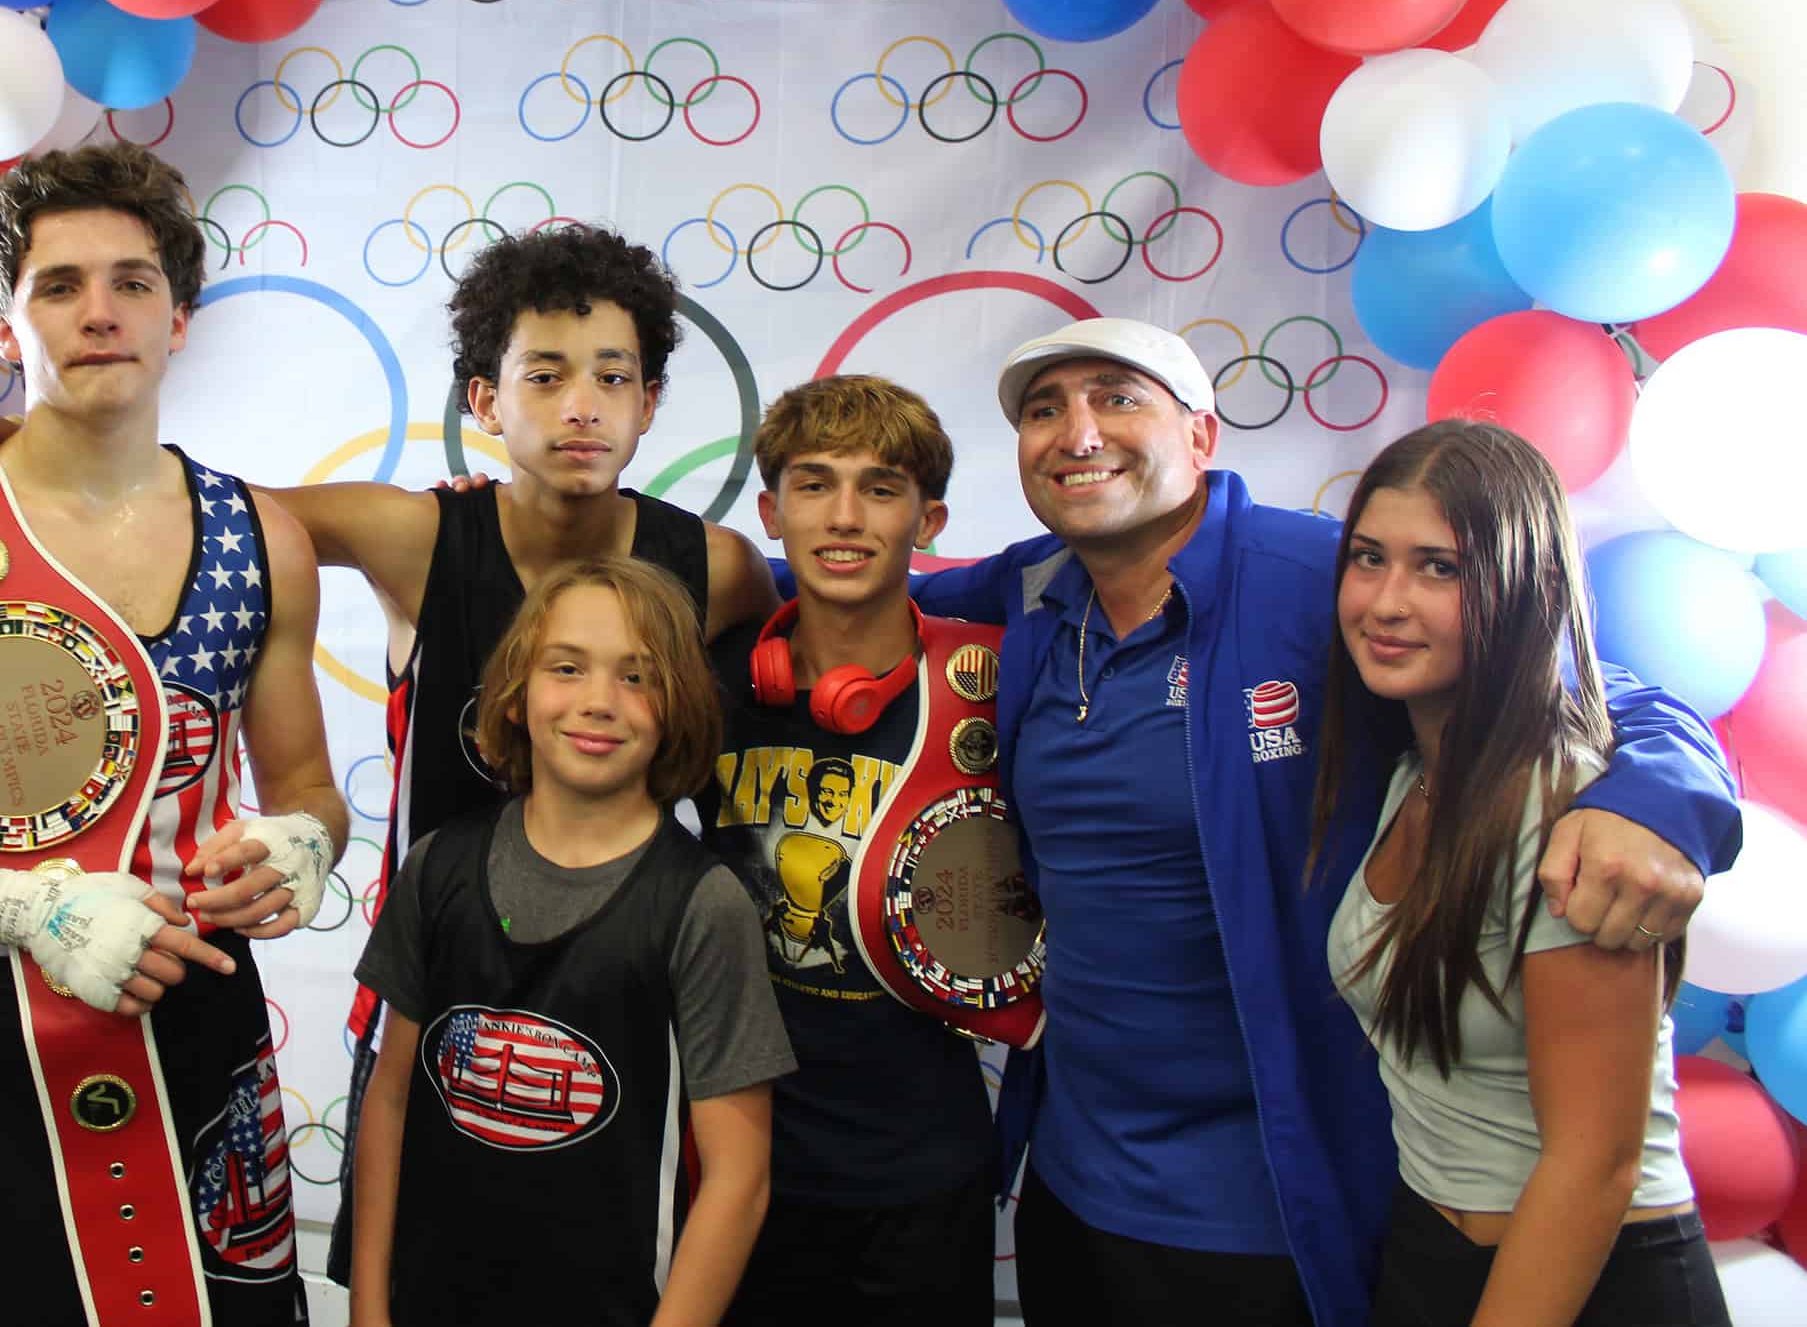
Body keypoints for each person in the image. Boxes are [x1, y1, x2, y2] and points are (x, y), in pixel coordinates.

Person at [0, 222, 780, 1280]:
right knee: (422, 1271)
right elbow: (186, 512)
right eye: (546, 376)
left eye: (614, 377)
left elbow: (768, 716)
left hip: (627, 992)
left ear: (652, 402)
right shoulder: (417, 536)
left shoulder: (719, 569)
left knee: (618, 1267)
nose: (582, 405)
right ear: (484, 402)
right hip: (438, 989)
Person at [903, 318, 1739, 1327]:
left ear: (1202, 436)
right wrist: (699, 560)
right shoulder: (1035, 590)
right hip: (1074, 1187)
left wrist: (1654, 801)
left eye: (1118, 398)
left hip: (1272, 1217)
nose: (1077, 431)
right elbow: (849, 586)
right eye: (1045, 409)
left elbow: (1596, 693)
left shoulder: (1320, 579)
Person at [0, 143, 349, 1326]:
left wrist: (300, 845)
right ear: (2, 314)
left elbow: (309, 792)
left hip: (203, 1021)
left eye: (133, 283)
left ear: (179, 316)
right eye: (60, 285)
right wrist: (19, 903)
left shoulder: (262, 537)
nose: (100, 313)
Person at [1316, 420, 1728, 1326]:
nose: (1386, 601)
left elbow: (1594, 1165)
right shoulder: (1408, 772)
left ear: (1524, 587)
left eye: (1439, 568)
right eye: (1368, 558)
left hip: (1591, 1272)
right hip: (1434, 1248)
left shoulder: (1565, 804)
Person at [347, 557, 791, 1327]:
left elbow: (737, 1175)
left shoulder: (702, 903)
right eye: (566, 667)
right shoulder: (437, 865)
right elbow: (390, 1099)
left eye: (635, 676)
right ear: (516, 692)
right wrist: (368, 1304)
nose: (597, 702)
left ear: (676, 705)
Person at [704, 375, 1024, 1327]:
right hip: (739, 1163)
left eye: (880, 488)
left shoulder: (990, 686)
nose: (844, 517)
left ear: (928, 519)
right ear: (770, 509)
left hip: (923, 1170)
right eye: (814, 483)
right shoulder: (707, 683)